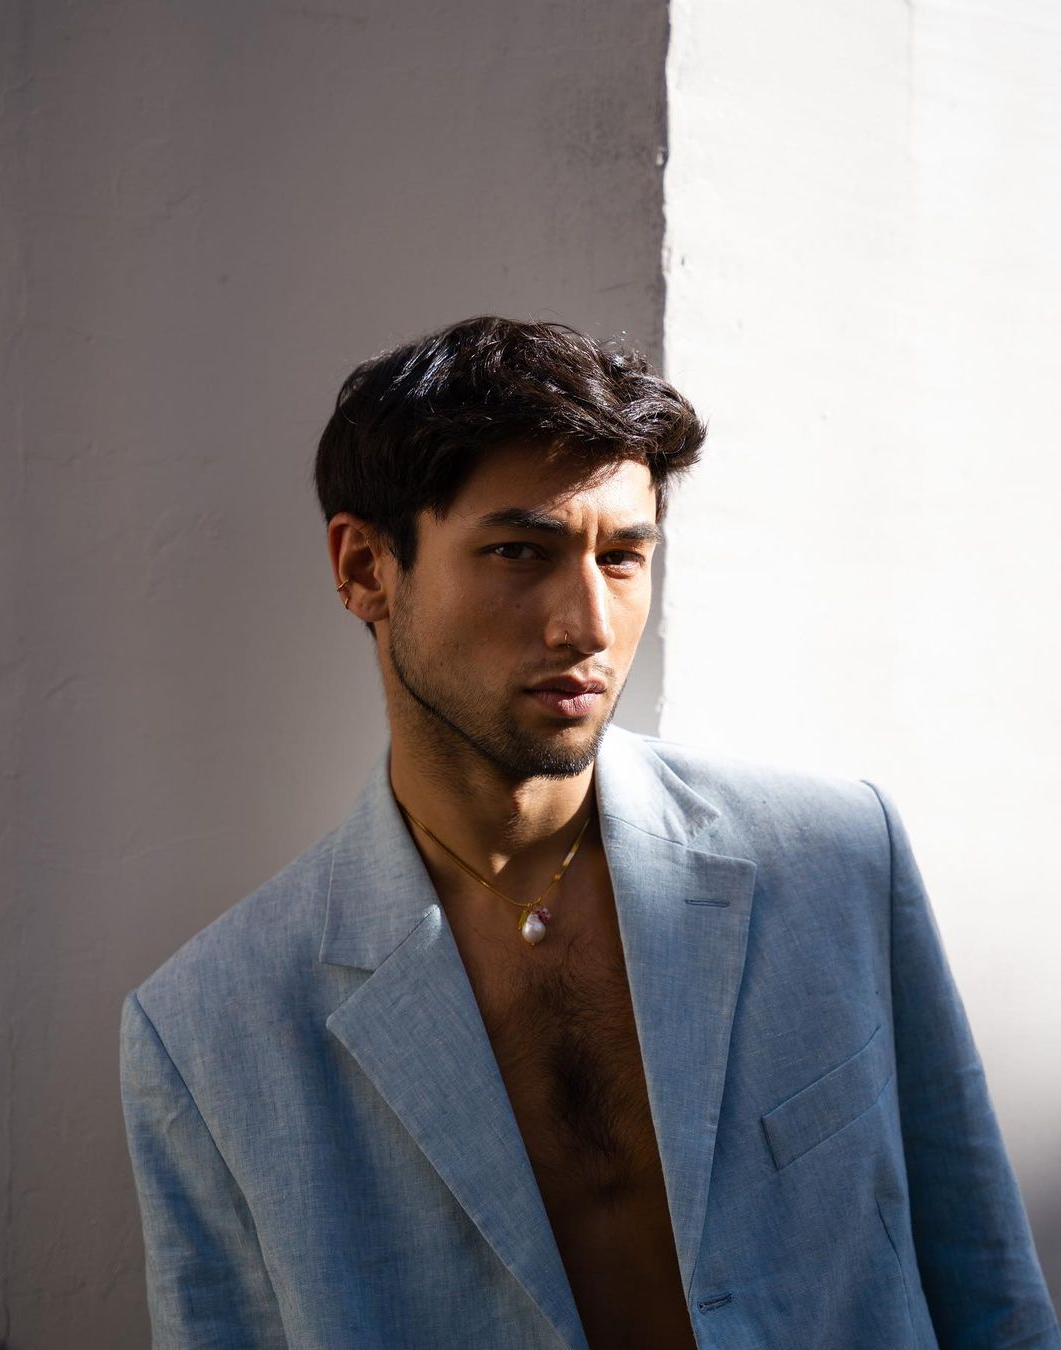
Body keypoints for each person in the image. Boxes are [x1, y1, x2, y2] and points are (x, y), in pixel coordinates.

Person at [120, 316, 1059, 1350]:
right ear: (365, 569)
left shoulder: (834, 859)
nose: (588, 625)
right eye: (520, 553)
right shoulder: (213, 1027)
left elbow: (991, 1293)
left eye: (622, 557)